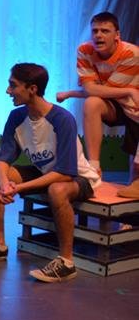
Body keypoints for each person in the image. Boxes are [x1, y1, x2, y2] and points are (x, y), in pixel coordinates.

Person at [0, 63, 101, 283]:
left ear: (32, 89)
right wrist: (4, 184)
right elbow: (3, 159)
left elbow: (65, 173)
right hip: (44, 172)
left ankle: (66, 262)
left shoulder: (62, 119)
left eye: (13, 85)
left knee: (56, 190)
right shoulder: (17, 117)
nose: (8, 91)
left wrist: (17, 188)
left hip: (78, 177)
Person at [56, 12, 138, 199]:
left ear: (117, 35)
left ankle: (134, 191)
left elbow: (100, 89)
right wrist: (129, 91)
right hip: (120, 103)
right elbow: (94, 91)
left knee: (134, 171)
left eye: (105, 31)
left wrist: (70, 93)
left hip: (135, 108)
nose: (98, 35)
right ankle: (94, 168)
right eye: (95, 31)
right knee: (92, 104)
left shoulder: (131, 54)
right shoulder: (85, 51)